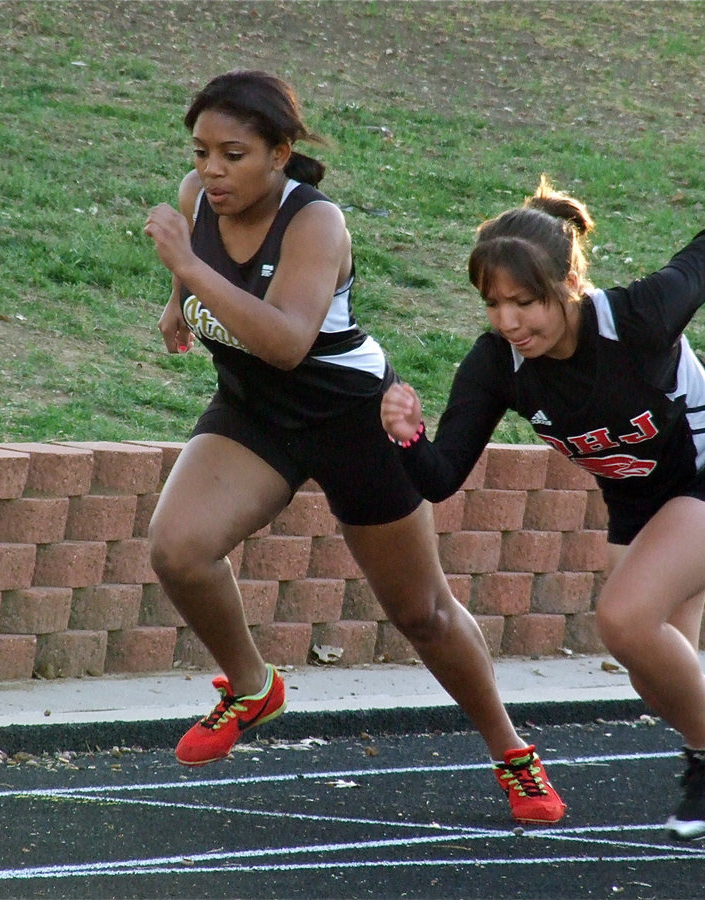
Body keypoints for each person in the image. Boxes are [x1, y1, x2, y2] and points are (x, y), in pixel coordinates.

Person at [143, 69, 565, 825]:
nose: (211, 170)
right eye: (201, 151)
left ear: (279, 153)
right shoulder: (194, 199)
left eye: (232, 154)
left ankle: (512, 753)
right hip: (254, 412)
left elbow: (284, 340)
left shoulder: (316, 224)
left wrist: (187, 270)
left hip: (349, 418)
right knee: (178, 548)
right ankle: (252, 686)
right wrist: (177, 306)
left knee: (423, 613)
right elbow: (205, 286)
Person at [380, 152, 705, 852]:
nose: (509, 320)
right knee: (662, 676)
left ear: (568, 284)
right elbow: (440, 478)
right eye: (493, 304)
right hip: (641, 505)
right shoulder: (499, 364)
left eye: (524, 302)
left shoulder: (639, 317)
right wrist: (406, 439)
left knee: (623, 618)